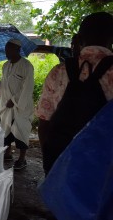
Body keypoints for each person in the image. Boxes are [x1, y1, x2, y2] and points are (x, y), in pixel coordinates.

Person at [36, 12, 113, 175]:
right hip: (104, 173)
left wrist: (51, 169)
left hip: (63, 168)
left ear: (78, 39)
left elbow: (43, 125)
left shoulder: (58, 73)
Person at [0, 39, 35, 170]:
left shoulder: (27, 66)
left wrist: (13, 101)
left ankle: (22, 159)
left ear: (17, 50)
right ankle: (7, 153)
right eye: (6, 49)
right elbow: (4, 85)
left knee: (21, 130)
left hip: (21, 106)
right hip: (7, 106)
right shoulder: (6, 66)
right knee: (6, 129)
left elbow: (28, 88)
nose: (6, 52)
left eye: (9, 49)